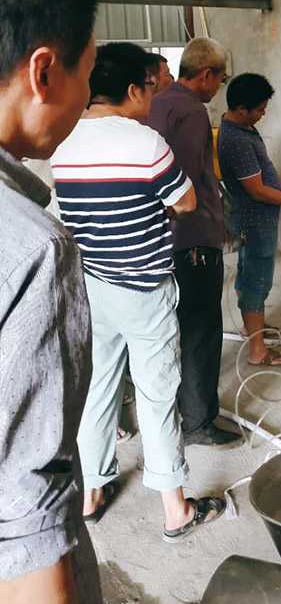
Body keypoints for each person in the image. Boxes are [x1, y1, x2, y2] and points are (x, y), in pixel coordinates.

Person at [51, 42, 225, 543]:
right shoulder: (145, 143)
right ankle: (176, 510)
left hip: (92, 287)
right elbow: (185, 202)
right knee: (156, 393)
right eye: (151, 85)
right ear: (131, 90)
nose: (155, 95)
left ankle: (91, 493)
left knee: (98, 388)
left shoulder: (64, 141)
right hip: (144, 287)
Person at [0, 0, 102, 604]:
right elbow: (25, 517)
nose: (85, 100)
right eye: (85, 77)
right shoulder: (33, 249)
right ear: (43, 72)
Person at [148, 38, 240, 447]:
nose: (219, 87)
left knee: (173, 326)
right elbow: (182, 185)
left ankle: (175, 407)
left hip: (163, 239)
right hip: (192, 239)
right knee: (201, 328)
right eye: (221, 79)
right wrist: (207, 225)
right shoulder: (191, 111)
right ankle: (198, 421)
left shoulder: (156, 102)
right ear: (207, 74)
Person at [218, 73, 281, 367]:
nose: (264, 114)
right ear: (241, 109)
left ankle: (254, 329)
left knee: (249, 275)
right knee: (256, 281)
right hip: (256, 220)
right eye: (260, 109)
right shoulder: (237, 140)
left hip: (255, 218)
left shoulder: (241, 128)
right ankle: (257, 351)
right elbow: (258, 191)